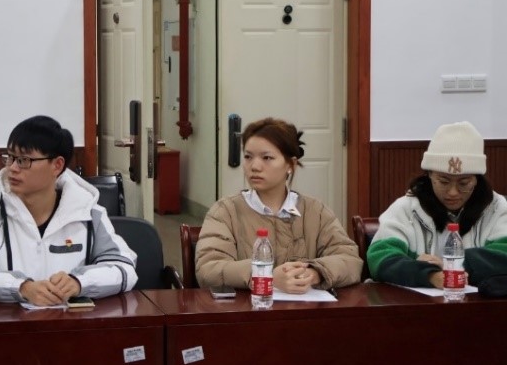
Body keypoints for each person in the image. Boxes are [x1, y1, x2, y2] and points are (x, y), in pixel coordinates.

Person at [0, 115, 137, 305]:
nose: (12, 168)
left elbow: (124, 268)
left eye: (23, 160)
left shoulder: (89, 214)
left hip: (72, 322)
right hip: (9, 322)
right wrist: (20, 287)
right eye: (10, 158)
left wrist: (79, 282)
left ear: (57, 165)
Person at [196, 117, 362, 292]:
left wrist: (315, 273)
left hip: (304, 307)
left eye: (267, 157)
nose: (254, 166)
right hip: (249, 307)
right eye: (248, 157)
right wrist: (266, 276)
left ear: (291, 165)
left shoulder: (315, 212)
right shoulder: (225, 211)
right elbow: (208, 269)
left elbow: (350, 260)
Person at [367, 121, 507, 288]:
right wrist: (430, 275)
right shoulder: (406, 209)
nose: (453, 192)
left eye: (464, 183)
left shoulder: (496, 208)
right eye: (443, 182)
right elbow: (380, 259)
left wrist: (451, 264)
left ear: (477, 180)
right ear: (429, 175)